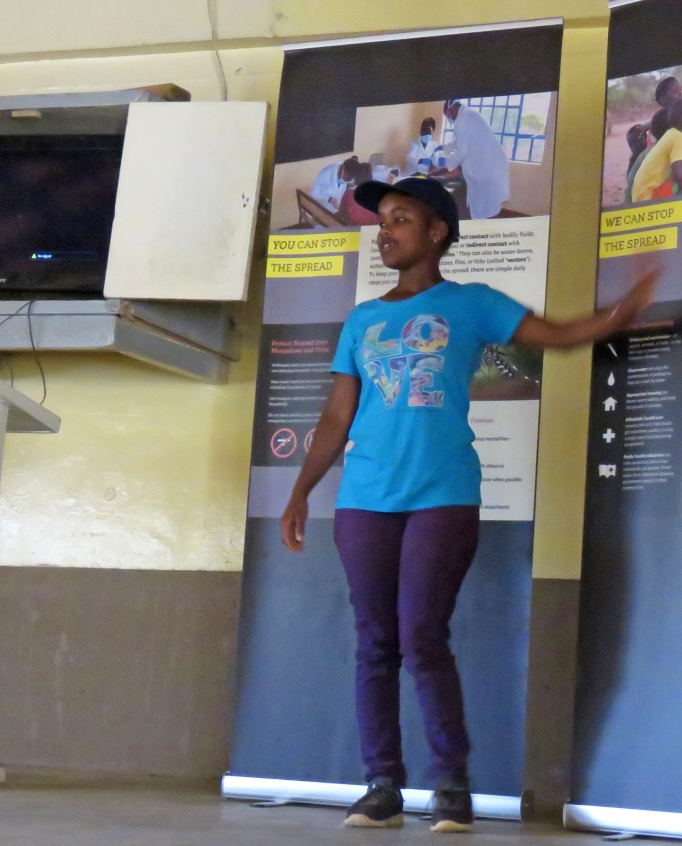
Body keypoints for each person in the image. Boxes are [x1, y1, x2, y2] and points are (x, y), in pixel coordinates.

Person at [280, 174, 657, 833]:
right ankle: (381, 785)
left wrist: (616, 317)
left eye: (400, 218)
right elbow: (339, 412)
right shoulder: (364, 319)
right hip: (365, 498)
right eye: (381, 220)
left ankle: (450, 786)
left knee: (423, 635)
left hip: (443, 493)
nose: (384, 230)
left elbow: (558, 334)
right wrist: (301, 488)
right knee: (375, 642)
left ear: (436, 232)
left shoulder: (472, 303)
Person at [438, 100, 511, 220]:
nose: (449, 119)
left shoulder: (462, 119)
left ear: (451, 109)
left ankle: (480, 232)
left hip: (487, 168)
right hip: (492, 164)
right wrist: (445, 147)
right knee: (487, 206)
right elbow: (462, 141)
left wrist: (445, 165)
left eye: (447, 115)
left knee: (483, 208)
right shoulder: (469, 114)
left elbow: (462, 152)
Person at [630, 98, 682, 202]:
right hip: (647, 198)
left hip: (641, 195)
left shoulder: (671, 134)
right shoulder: (677, 136)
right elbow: (679, 176)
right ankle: (676, 209)